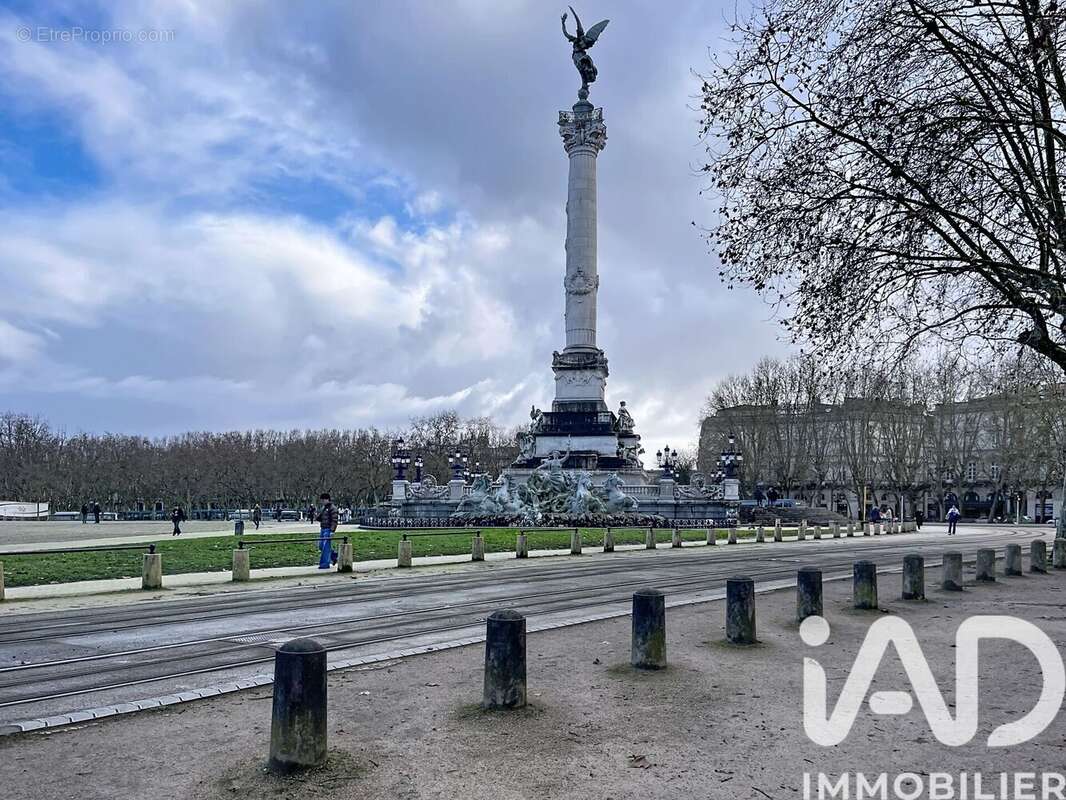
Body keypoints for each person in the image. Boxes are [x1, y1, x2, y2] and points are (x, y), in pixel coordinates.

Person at [316, 493, 338, 569]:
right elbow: (320, 518)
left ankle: (324, 564)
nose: (322, 502)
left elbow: (334, 520)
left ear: (327, 499)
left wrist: (332, 531)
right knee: (321, 546)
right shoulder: (324, 508)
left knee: (325, 547)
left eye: (323, 500)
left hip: (328, 529)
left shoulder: (333, 508)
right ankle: (333, 555)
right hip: (323, 528)